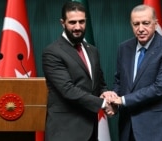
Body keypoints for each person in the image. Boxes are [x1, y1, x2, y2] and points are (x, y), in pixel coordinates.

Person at [42, 1, 116, 141]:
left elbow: (99, 83)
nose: (78, 27)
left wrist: (106, 94)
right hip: (65, 132)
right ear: (62, 23)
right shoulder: (52, 52)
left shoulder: (92, 50)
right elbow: (68, 90)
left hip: (91, 130)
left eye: (81, 22)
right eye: (72, 22)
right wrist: (103, 104)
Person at [111, 4, 162, 141]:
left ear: (155, 23)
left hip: (156, 127)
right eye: (136, 24)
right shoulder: (124, 48)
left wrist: (123, 100)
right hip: (128, 125)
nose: (140, 29)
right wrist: (113, 99)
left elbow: (160, 88)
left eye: (146, 23)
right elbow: (119, 80)